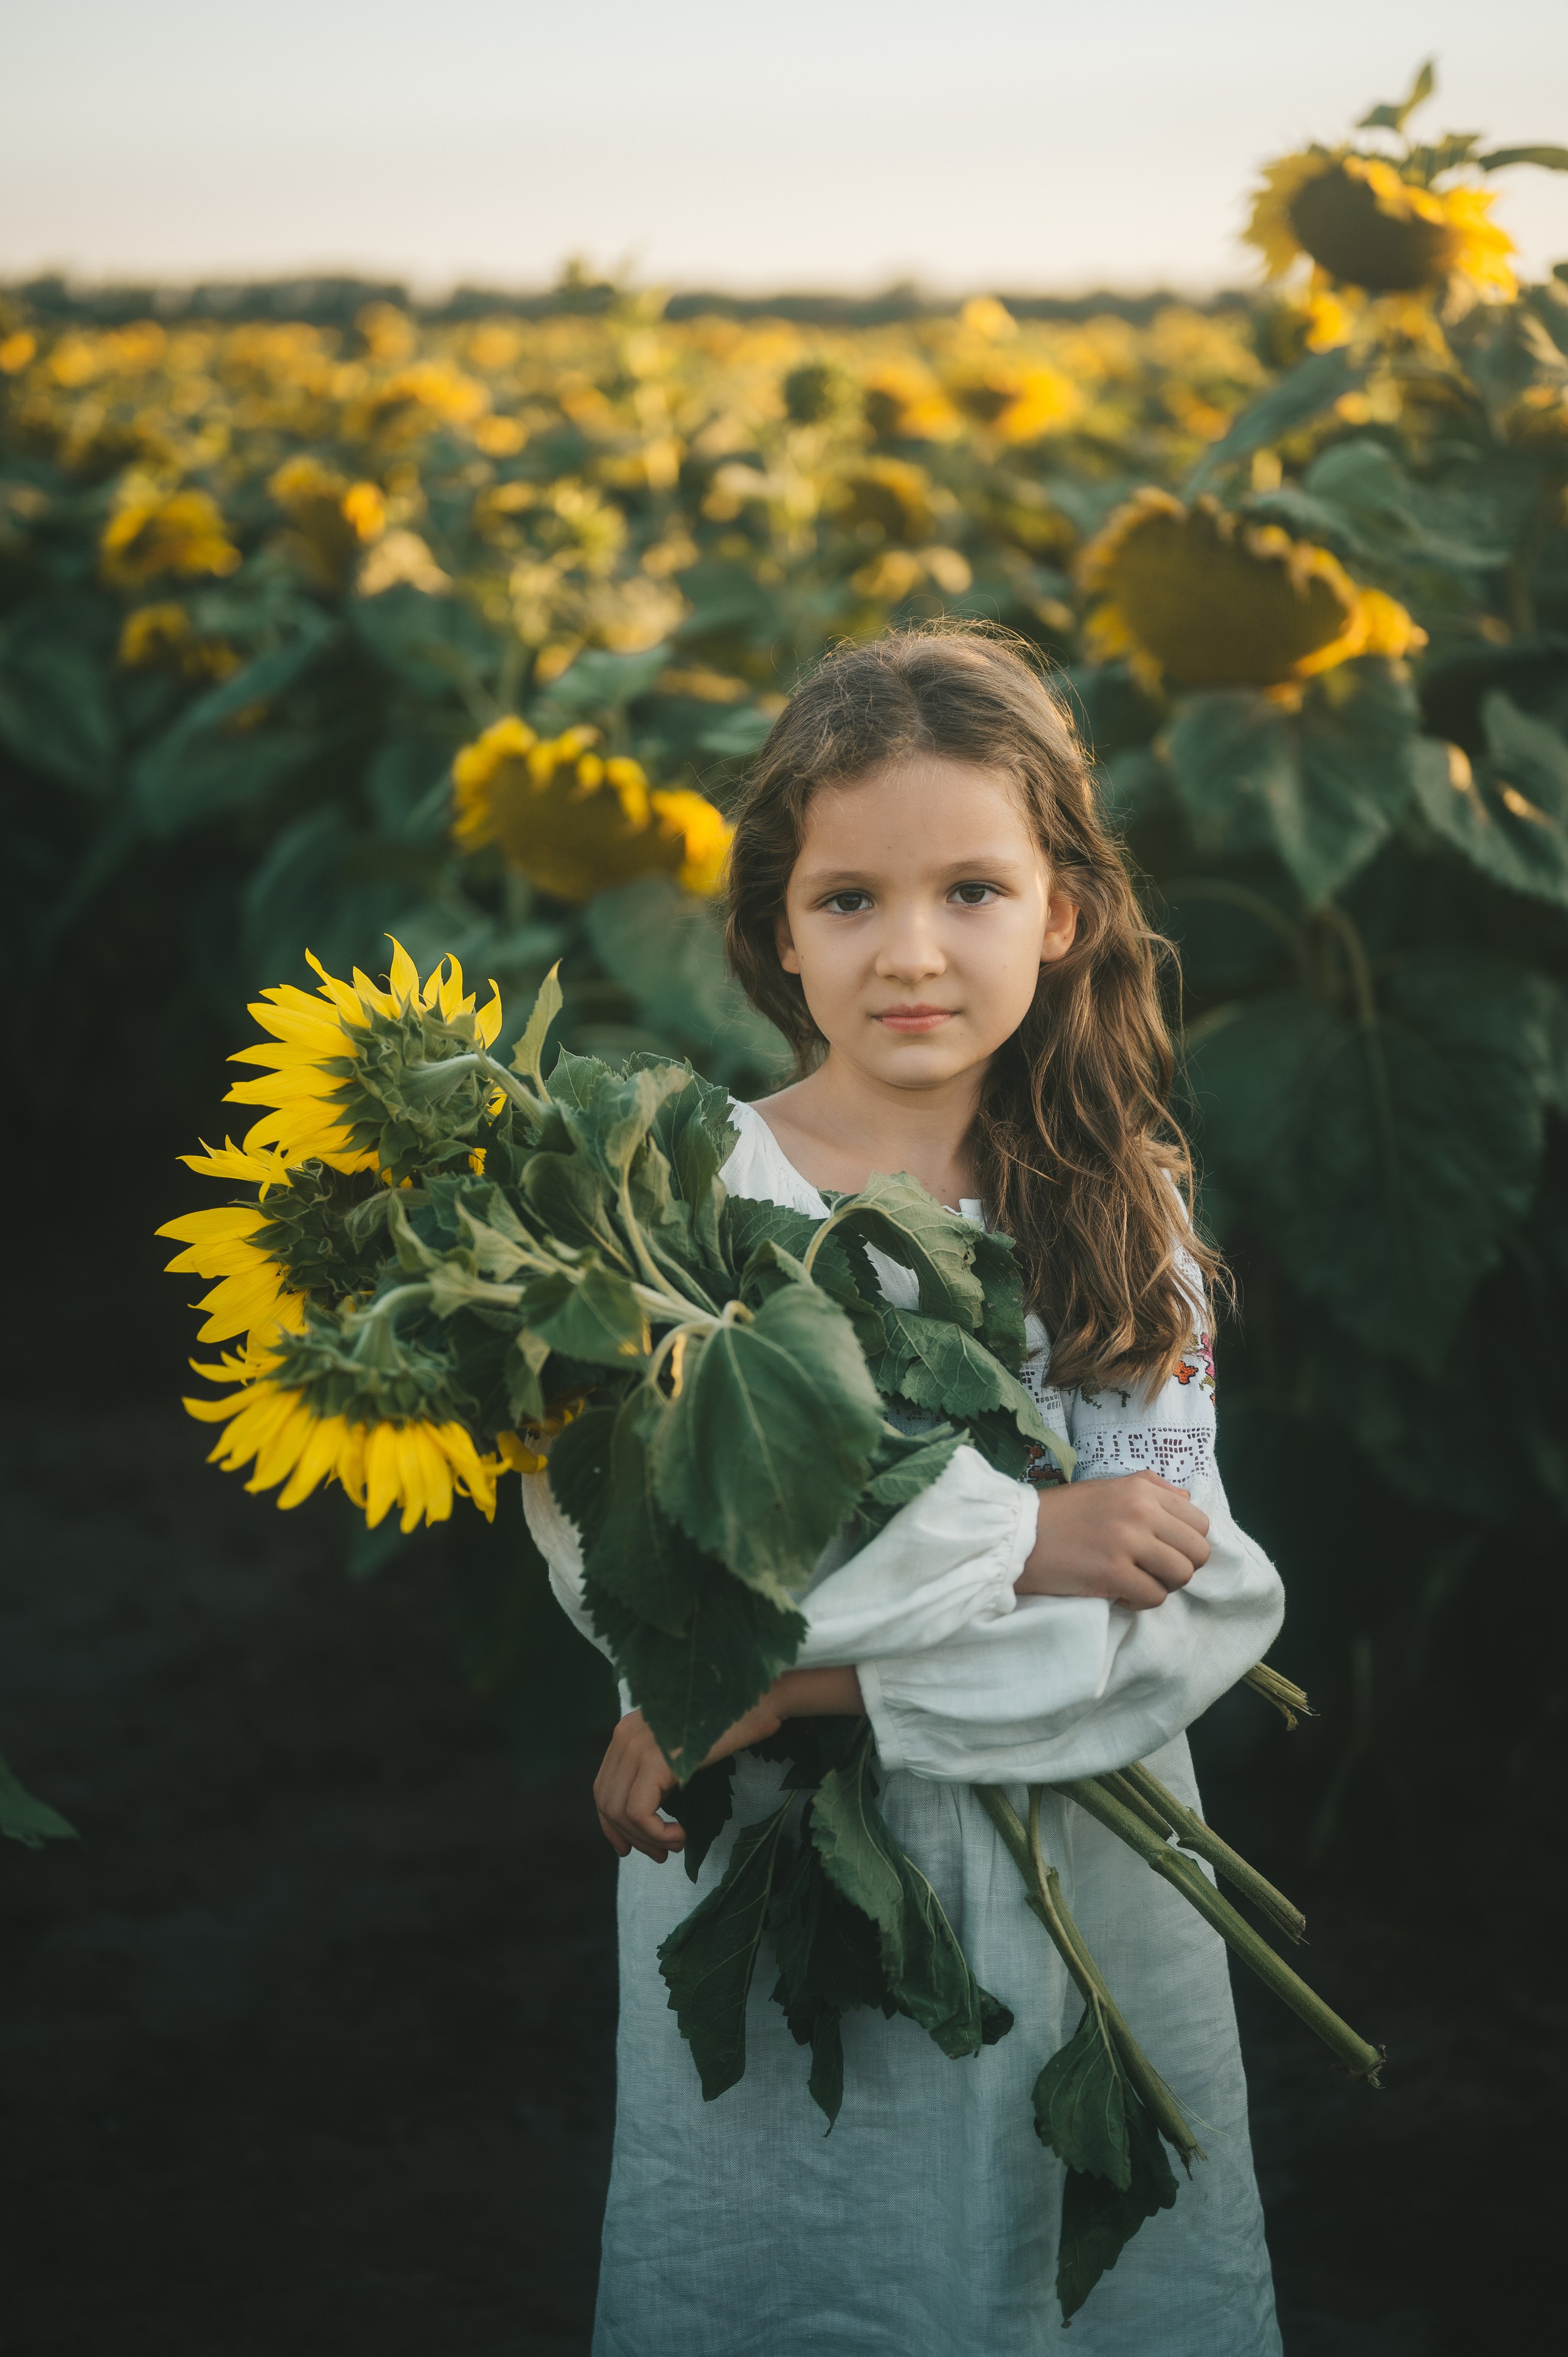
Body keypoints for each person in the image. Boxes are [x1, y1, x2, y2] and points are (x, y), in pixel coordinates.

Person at [522, 624, 1285, 2355]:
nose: (912, 954)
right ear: (776, 930)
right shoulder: (691, 1200)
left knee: (1063, 2260)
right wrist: (1029, 1539)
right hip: (785, 1864)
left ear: (1062, 912)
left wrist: (797, 1683)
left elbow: (1189, 1608)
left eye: (973, 891)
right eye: (851, 901)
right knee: (808, 2251)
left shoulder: (1115, 1205)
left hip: (1086, 1868)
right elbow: (650, 1566)